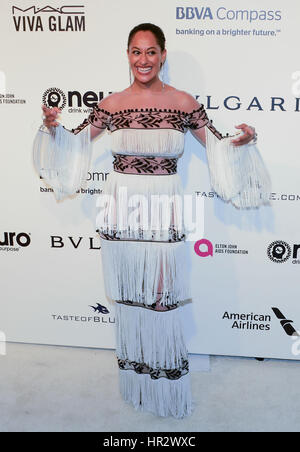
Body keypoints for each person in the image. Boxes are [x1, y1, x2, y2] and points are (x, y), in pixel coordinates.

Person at [33, 23, 270, 419]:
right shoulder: (111, 104)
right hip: (120, 208)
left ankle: (165, 384)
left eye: (151, 52)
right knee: (130, 297)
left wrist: (242, 141)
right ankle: (138, 379)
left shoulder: (182, 101)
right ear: (127, 55)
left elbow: (215, 143)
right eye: (135, 52)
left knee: (161, 295)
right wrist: (52, 128)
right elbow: (74, 143)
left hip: (163, 208)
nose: (143, 60)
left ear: (163, 55)